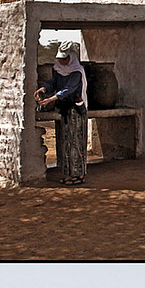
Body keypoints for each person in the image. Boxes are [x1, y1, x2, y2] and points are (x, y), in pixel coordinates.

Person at [34, 40, 89, 185]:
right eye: (60, 59)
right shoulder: (57, 69)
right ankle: (68, 173)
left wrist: (51, 99)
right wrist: (44, 88)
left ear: (71, 57)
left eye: (64, 59)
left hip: (75, 108)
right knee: (65, 141)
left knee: (76, 141)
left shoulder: (76, 72)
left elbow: (69, 89)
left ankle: (78, 174)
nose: (62, 61)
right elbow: (54, 82)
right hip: (63, 108)